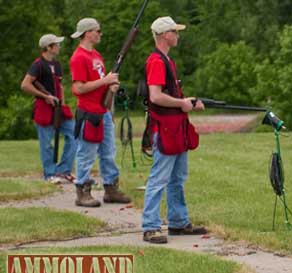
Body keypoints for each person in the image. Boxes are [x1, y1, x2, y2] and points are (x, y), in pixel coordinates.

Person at [141, 16, 207, 244]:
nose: (177, 35)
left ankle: (178, 223)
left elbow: (170, 96)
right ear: (163, 35)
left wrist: (188, 101)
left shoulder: (168, 61)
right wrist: (181, 103)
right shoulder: (157, 61)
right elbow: (155, 96)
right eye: (174, 31)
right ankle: (150, 227)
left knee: (178, 178)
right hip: (166, 129)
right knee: (159, 178)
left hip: (176, 127)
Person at [69, 18, 131, 207]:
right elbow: (79, 88)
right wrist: (105, 82)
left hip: (103, 112)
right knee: (86, 153)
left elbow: (101, 85)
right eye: (97, 30)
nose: (100, 33)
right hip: (89, 113)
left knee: (108, 152)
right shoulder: (78, 57)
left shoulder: (96, 55)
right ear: (87, 33)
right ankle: (82, 191)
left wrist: (110, 88)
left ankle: (111, 189)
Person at [20, 34, 76, 184]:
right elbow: (25, 85)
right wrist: (44, 96)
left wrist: (62, 103)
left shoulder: (57, 65)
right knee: (46, 143)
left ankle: (64, 170)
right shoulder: (37, 65)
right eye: (56, 44)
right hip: (44, 108)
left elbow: (60, 86)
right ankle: (50, 174)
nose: (59, 46)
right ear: (48, 47)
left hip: (59, 108)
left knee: (74, 135)